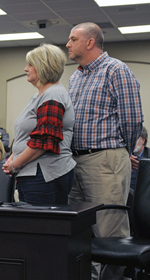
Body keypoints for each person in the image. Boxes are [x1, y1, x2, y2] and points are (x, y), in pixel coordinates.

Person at [66, 22, 143, 280]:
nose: (67, 44)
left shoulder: (116, 70)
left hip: (105, 159)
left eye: (73, 39)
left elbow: (132, 120)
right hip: (75, 161)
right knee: (77, 234)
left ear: (90, 42)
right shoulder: (75, 76)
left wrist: (122, 150)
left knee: (110, 234)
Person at [2, 43, 75, 206]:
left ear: (43, 66)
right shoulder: (40, 96)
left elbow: (44, 142)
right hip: (34, 173)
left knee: (40, 227)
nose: (25, 69)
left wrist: (14, 165)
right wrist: (13, 158)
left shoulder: (53, 95)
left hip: (45, 175)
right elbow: (29, 135)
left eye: (30, 64)